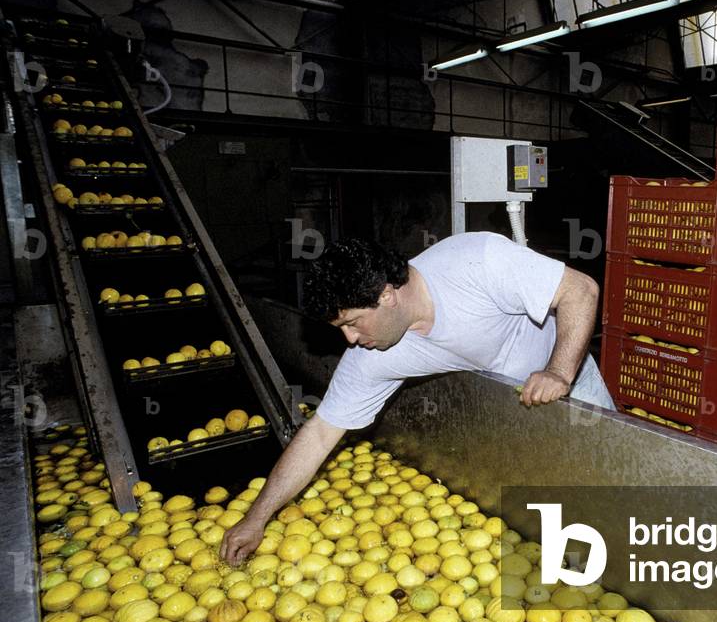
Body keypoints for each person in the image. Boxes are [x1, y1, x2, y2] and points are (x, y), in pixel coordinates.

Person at [220, 231, 614, 566]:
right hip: (508, 414)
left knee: (610, 483)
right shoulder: (374, 355)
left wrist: (559, 370)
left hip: (570, 386)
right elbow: (321, 433)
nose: (351, 340)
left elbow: (580, 290)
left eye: (353, 323)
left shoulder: (476, 262)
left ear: (388, 294)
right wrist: (257, 517)